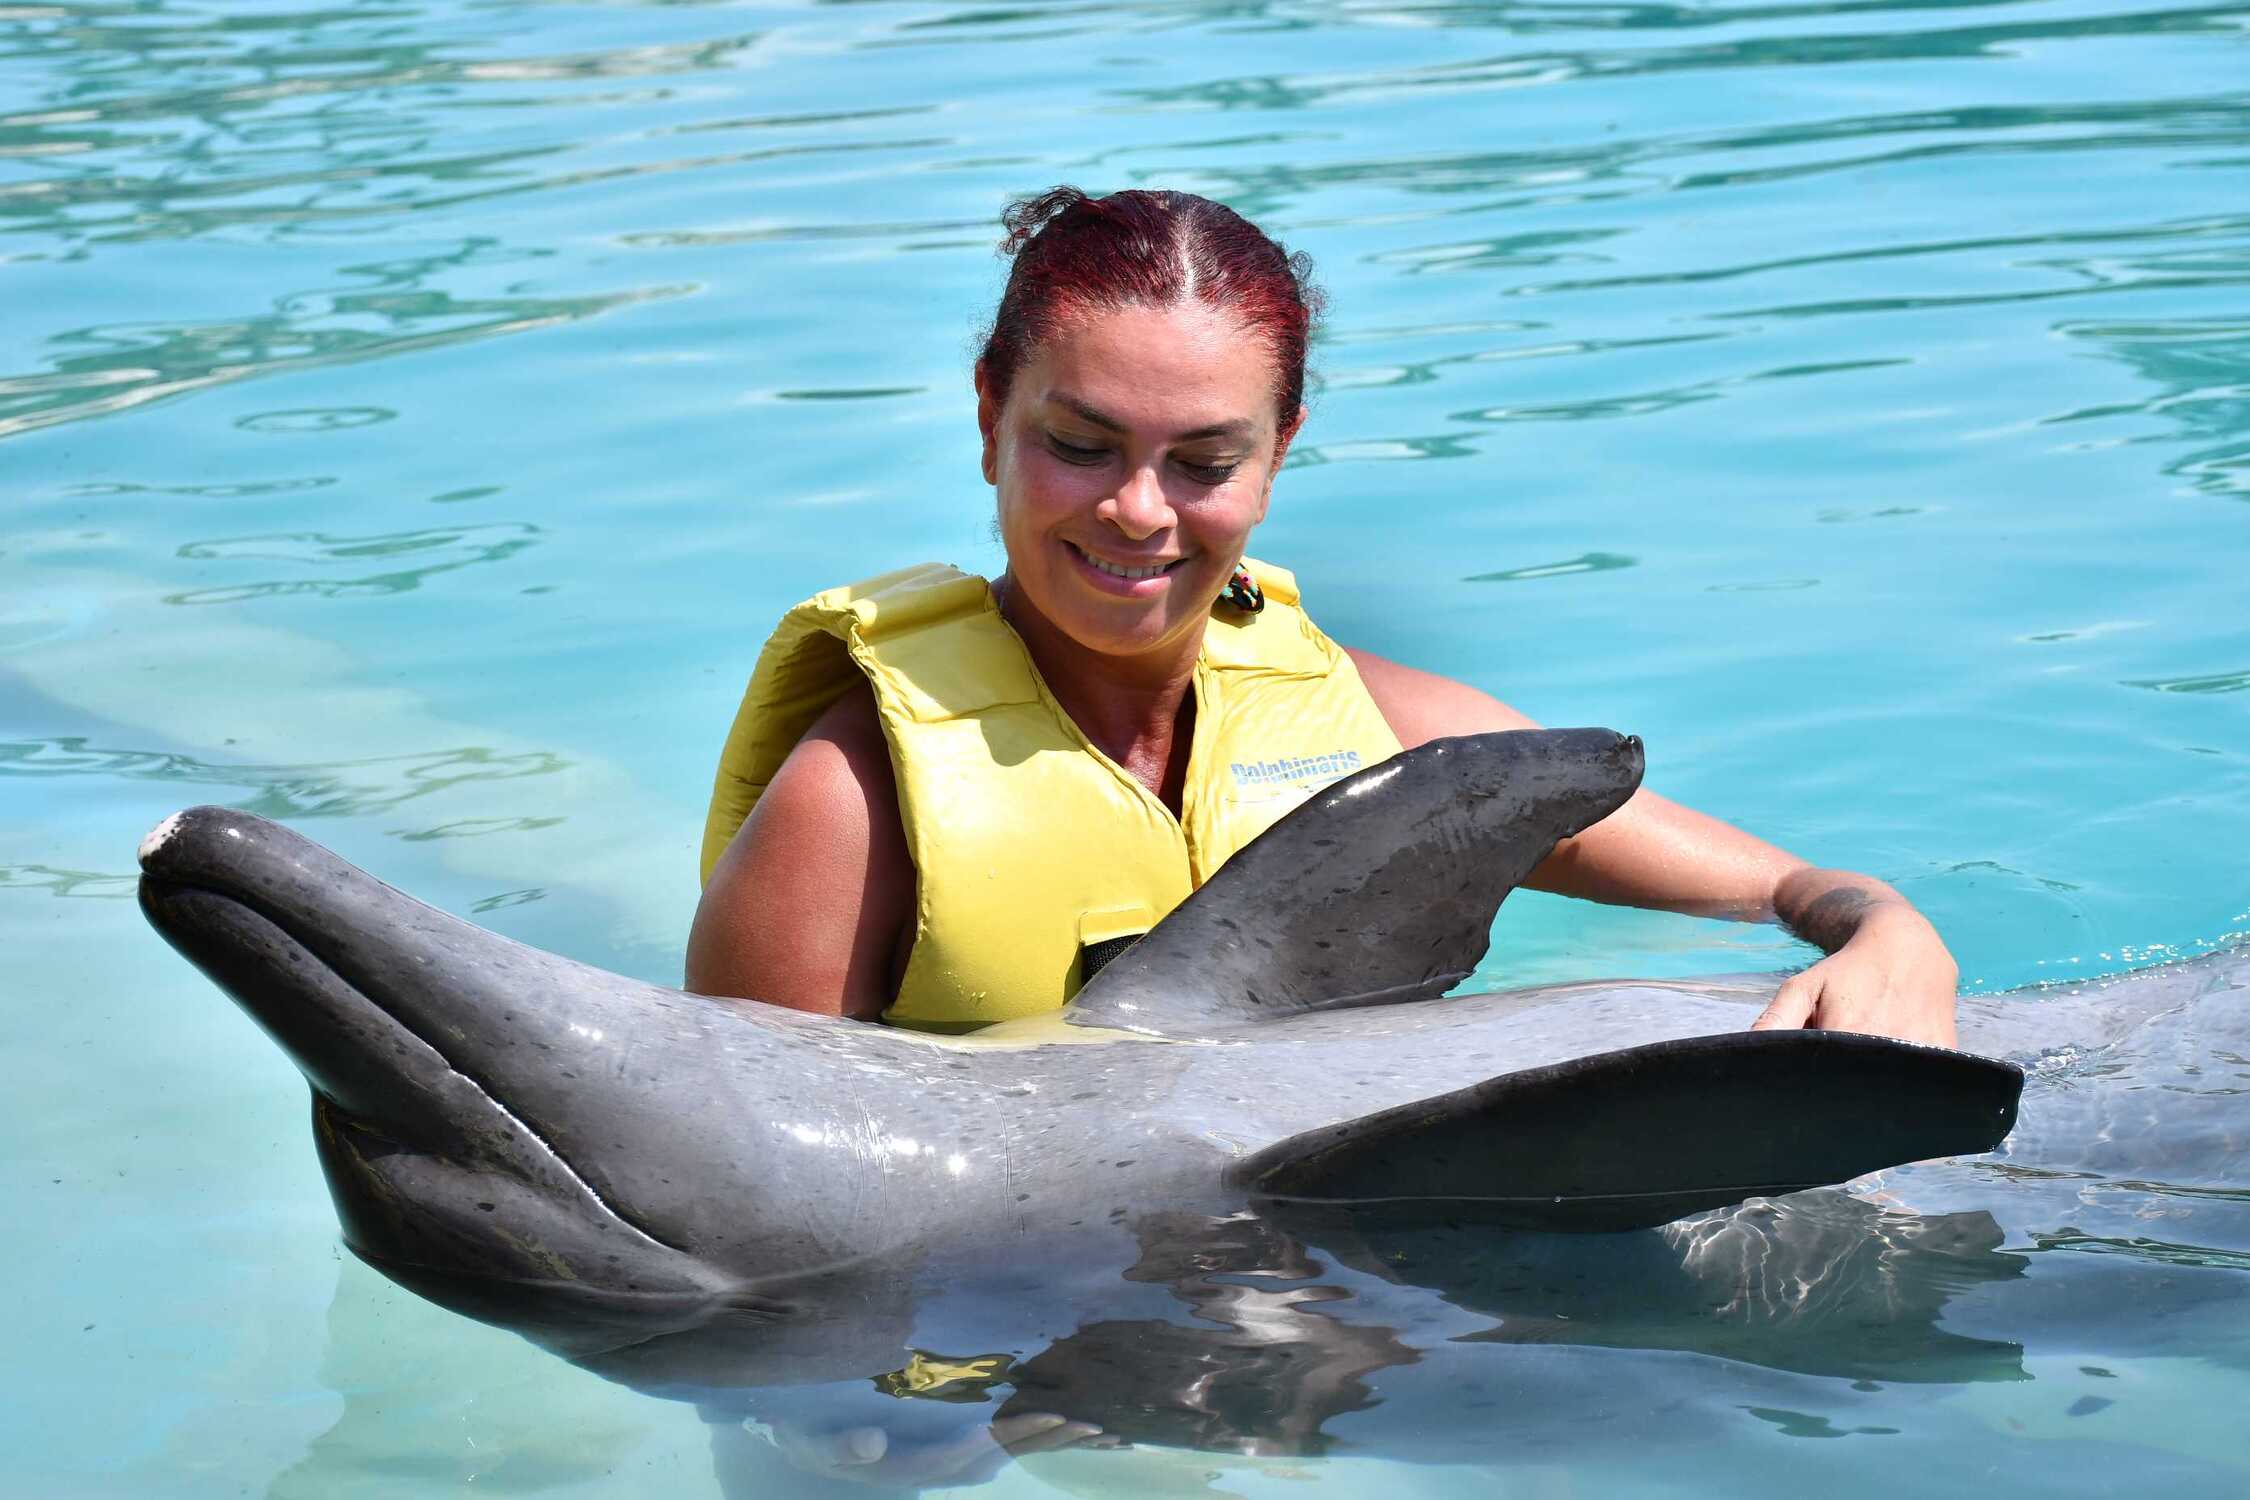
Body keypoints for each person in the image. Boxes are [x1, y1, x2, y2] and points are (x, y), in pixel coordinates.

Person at [687, 186, 1958, 1048]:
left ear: (1280, 452)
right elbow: (740, 1210)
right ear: (986, 420)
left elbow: (1790, 885)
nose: (1138, 511)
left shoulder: (1371, 732)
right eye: (1081, 445)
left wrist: (1887, 928)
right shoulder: (852, 808)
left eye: (1204, 461)